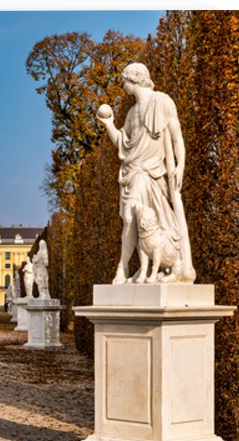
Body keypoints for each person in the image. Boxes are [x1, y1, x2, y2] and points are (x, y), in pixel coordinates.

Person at [97, 62, 195, 284]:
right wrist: (109, 124)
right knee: (135, 221)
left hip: (151, 172)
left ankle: (125, 269)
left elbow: (177, 137)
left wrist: (180, 166)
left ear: (133, 79)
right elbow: (123, 144)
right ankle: (137, 269)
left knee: (139, 219)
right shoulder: (132, 113)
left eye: (123, 80)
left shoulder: (162, 101)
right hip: (133, 171)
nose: (122, 86)